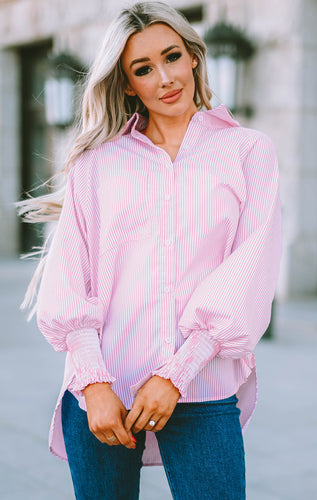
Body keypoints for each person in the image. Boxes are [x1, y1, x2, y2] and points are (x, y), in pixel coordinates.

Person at [19, 2, 282, 499]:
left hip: (201, 390)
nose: (165, 77)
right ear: (125, 83)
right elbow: (72, 280)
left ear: (194, 58)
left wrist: (175, 375)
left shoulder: (248, 151)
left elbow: (249, 270)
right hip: (102, 395)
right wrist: (93, 382)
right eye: (143, 68)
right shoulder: (95, 165)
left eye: (173, 57)